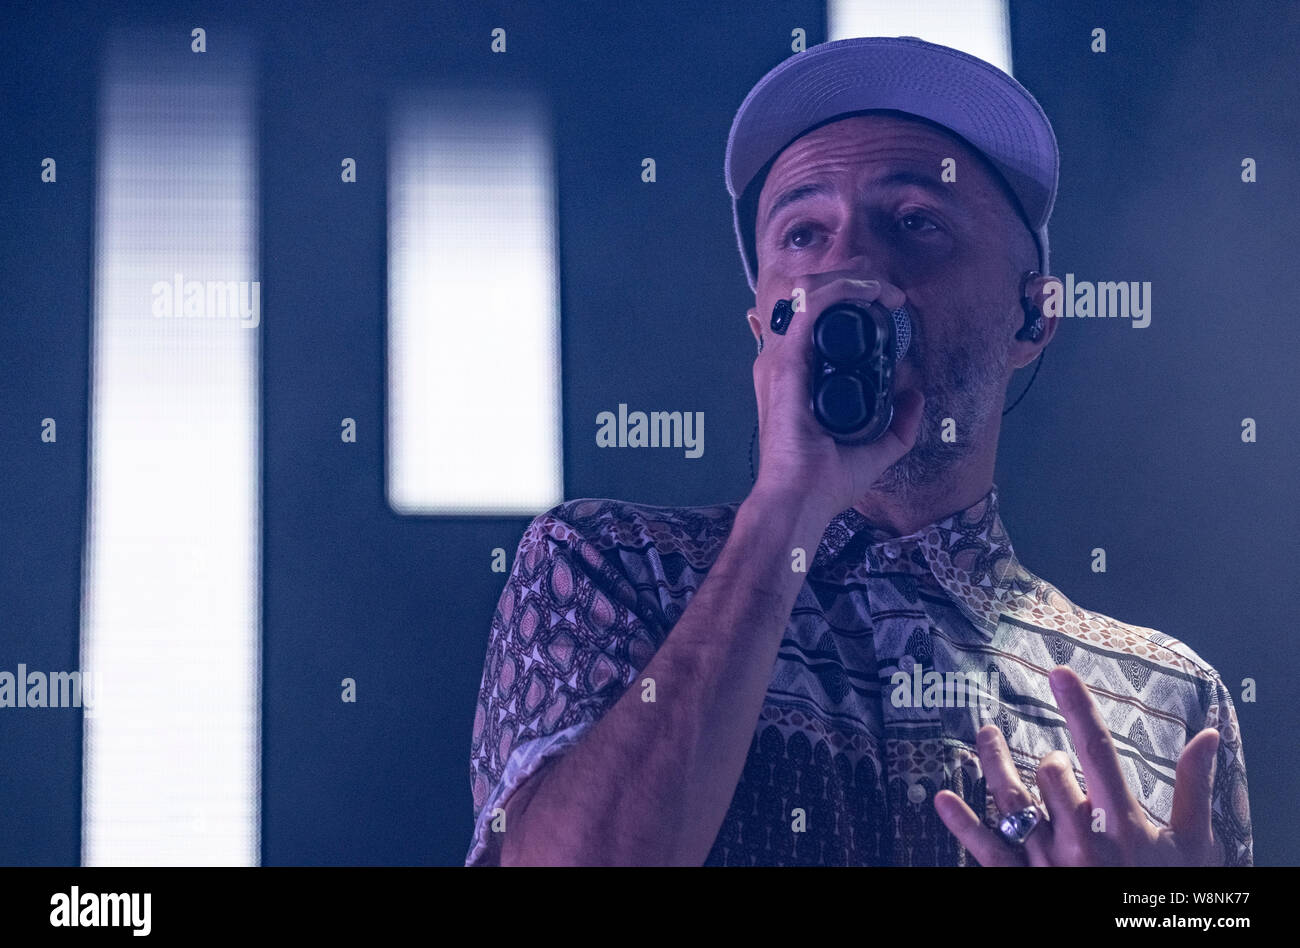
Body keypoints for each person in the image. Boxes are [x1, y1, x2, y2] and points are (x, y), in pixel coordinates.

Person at [466, 36, 1252, 866]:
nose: (852, 267)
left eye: (916, 222)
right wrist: (786, 513)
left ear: (1034, 315)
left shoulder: (1172, 699)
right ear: (764, 328)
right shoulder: (604, 570)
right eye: (803, 235)